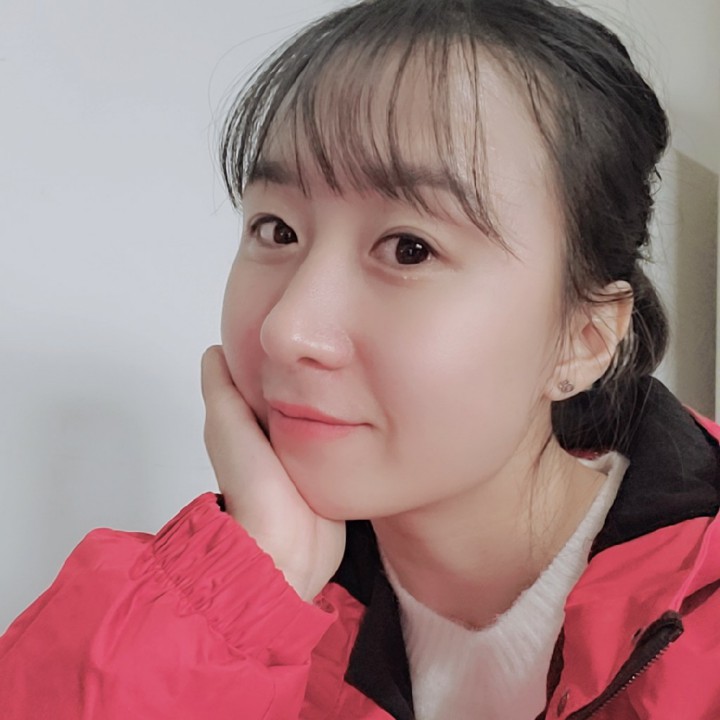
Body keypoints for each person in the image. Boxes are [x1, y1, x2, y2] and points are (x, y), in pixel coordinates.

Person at [1, 0, 719, 717]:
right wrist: (251, 586)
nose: (287, 329)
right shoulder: (222, 614)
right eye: (277, 230)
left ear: (584, 338)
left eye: (410, 248)